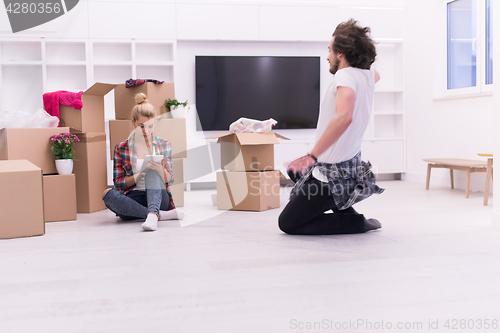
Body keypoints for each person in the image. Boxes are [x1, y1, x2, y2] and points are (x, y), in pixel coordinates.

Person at [279, 19, 384, 235]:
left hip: (332, 177)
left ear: (341, 53)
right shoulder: (367, 75)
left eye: (330, 50)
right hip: (349, 168)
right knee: (294, 171)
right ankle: (347, 212)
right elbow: (376, 74)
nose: (327, 56)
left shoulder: (344, 75)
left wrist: (312, 155)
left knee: (287, 223)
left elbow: (344, 117)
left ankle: (355, 223)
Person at [102, 93, 185, 231]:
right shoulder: (121, 148)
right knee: (107, 194)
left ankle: (153, 214)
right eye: (141, 126)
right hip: (133, 198)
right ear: (133, 122)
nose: (146, 131)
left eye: (150, 126)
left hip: (159, 197)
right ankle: (159, 215)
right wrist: (139, 175)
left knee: (152, 170)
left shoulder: (164, 145)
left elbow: (170, 179)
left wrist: (159, 170)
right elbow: (118, 182)